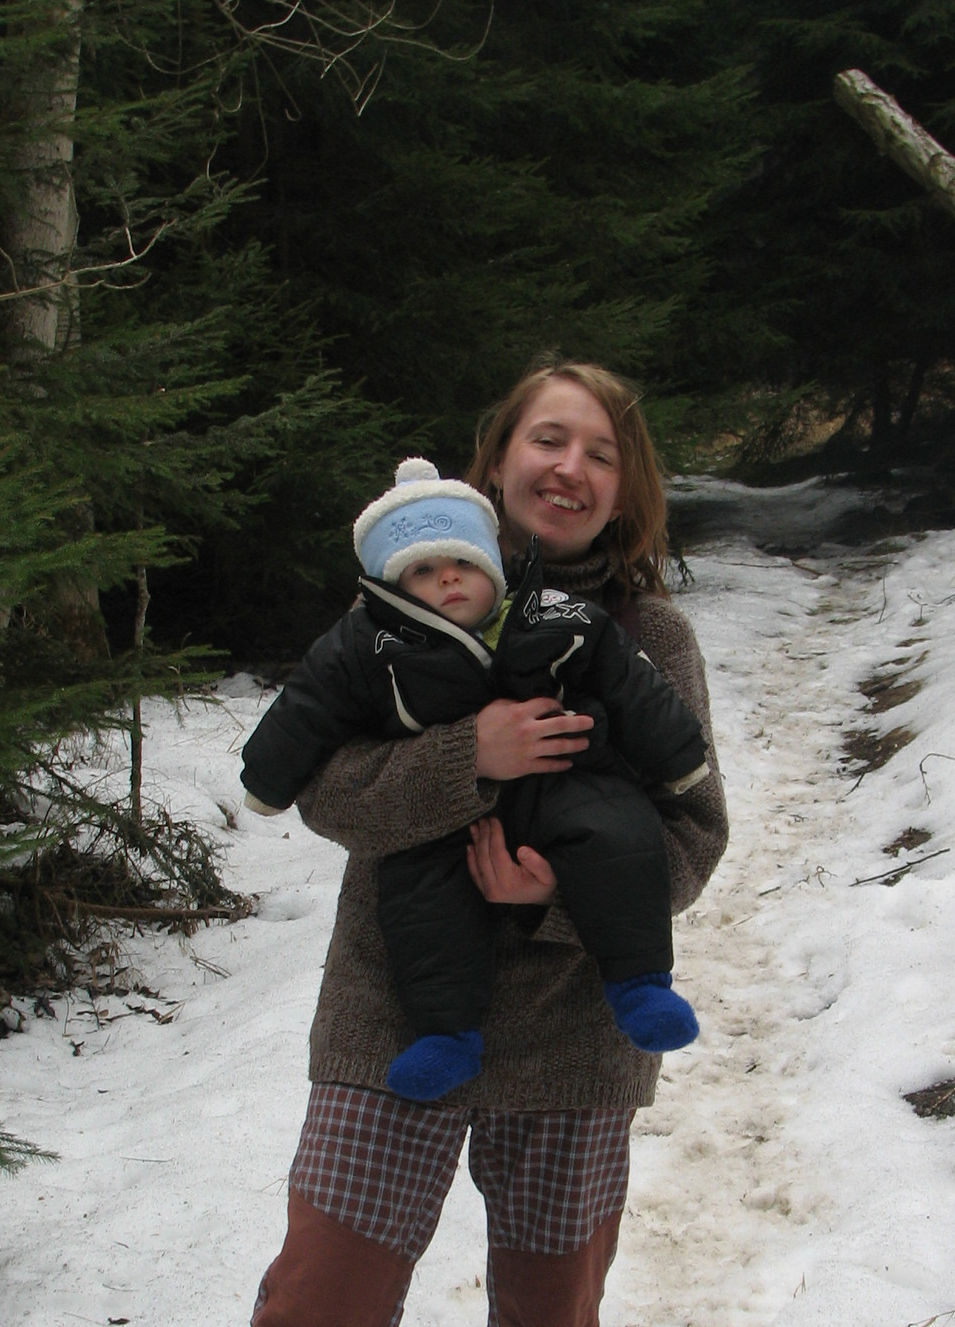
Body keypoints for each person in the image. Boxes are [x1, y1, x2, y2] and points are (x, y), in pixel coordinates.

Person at [105, 360, 728, 1327]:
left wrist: (565, 895)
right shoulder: (405, 597)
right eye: (547, 440)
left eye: (598, 451)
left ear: (627, 488)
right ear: (496, 459)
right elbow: (325, 789)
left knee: (552, 1319)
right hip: (393, 1015)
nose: (568, 468)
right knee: (321, 1300)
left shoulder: (650, 638)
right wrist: (469, 759)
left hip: (576, 1032)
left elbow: (692, 836)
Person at [237, 456, 710, 1101]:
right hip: (435, 840)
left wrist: (679, 759)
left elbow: (632, 687)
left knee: (618, 831)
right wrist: (270, 780)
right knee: (420, 895)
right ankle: (445, 1034)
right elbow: (307, 714)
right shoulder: (368, 641)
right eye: (421, 571)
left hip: (563, 796)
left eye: (463, 561)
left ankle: (640, 984)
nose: (448, 579)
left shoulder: (561, 616)